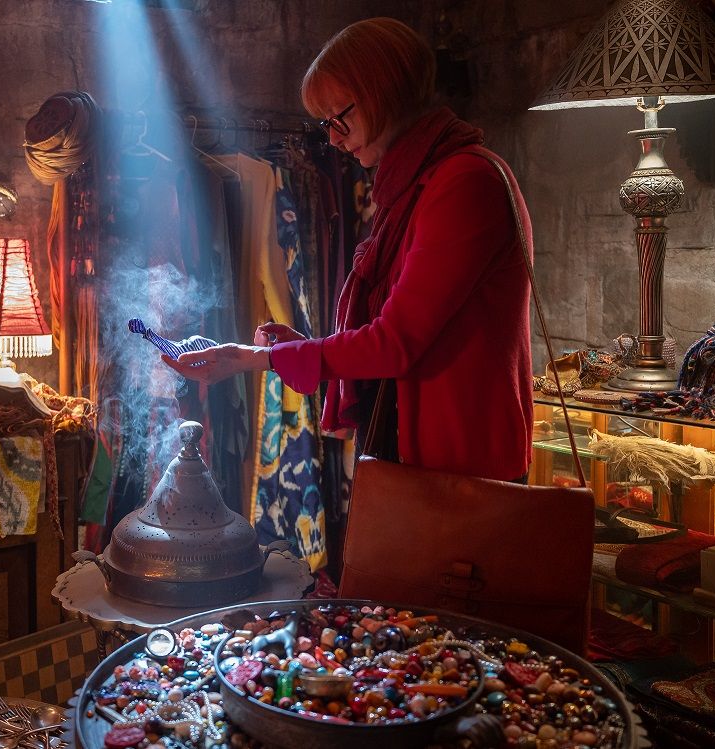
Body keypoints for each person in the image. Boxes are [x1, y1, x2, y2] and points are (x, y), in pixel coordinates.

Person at [163, 17, 533, 483]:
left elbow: (396, 342)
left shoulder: (463, 183)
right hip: (423, 451)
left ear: (385, 94)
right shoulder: (413, 186)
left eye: (341, 117)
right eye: (327, 123)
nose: (333, 138)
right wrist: (299, 348)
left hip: (459, 461)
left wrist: (256, 359)